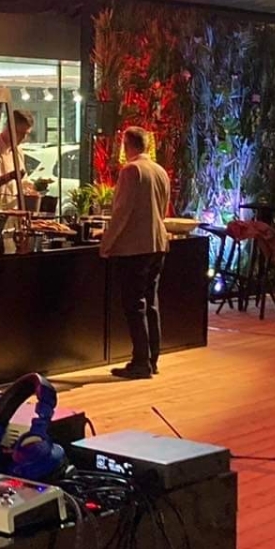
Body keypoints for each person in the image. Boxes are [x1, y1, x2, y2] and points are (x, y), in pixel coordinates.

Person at [98, 127, 170, 382]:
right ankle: (152, 359)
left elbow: (122, 212)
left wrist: (106, 243)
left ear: (127, 144)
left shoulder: (131, 171)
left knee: (135, 305)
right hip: (157, 243)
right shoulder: (159, 171)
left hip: (134, 247)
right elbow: (162, 209)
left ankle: (140, 362)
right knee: (151, 302)